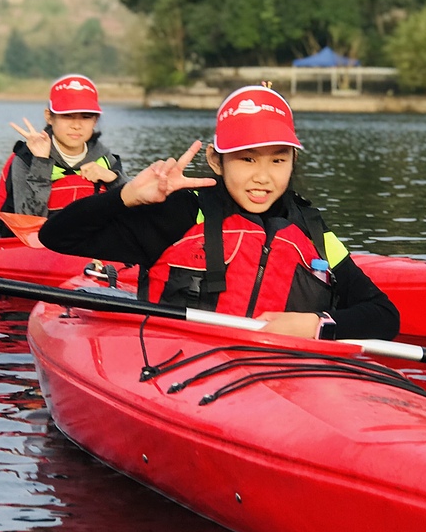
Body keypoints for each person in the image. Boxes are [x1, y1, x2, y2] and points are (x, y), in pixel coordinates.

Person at [39, 84, 400, 342]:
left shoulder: (311, 229)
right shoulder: (181, 212)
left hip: (281, 378)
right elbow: (56, 236)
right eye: (246, 159)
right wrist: (127, 195)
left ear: (293, 161)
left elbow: (383, 316)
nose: (263, 176)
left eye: (278, 159)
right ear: (216, 160)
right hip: (179, 370)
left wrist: (316, 324)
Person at [0, 74, 124, 236]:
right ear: (49, 117)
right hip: (33, 247)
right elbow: (28, 224)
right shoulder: (25, 159)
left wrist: (113, 179)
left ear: (95, 121)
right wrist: (41, 163)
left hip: (90, 247)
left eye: (86, 117)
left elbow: (135, 215)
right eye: (67, 116)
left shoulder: (106, 160)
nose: (76, 125)